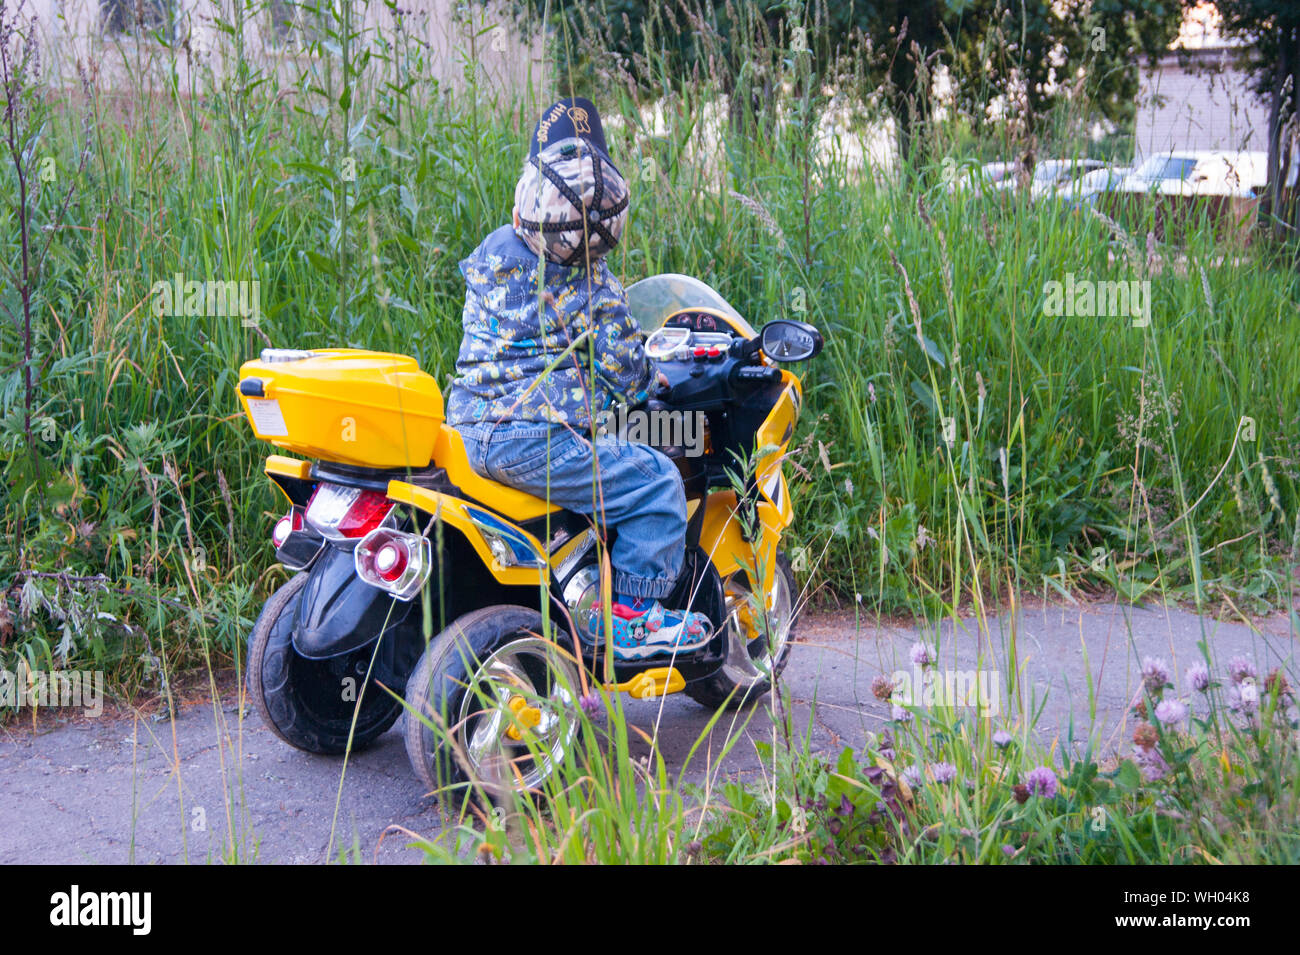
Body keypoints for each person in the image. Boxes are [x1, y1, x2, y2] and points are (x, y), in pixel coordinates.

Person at [445, 97, 711, 660]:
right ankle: (634, 617)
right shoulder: (593, 283)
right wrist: (654, 384)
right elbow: (630, 380)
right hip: (535, 439)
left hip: (467, 429)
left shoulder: (493, 252)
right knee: (656, 481)